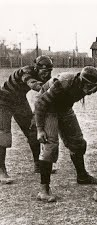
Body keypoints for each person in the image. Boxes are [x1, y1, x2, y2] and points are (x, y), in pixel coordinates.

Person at [34, 66, 97, 202]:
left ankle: (82, 176)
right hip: (48, 109)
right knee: (50, 147)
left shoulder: (92, 83)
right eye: (90, 87)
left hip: (64, 108)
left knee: (78, 142)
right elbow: (40, 103)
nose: (92, 90)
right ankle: (44, 190)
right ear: (82, 81)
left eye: (95, 87)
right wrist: (39, 129)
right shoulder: (62, 83)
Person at [0, 55, 53, 184]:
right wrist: (50, 86)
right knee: (3, 135)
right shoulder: (26, 71)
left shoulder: (46, 77)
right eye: (44, 71)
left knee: (33, 130)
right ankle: (1, 170)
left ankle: (38, 164)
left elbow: (46, 92)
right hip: (3, 101)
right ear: (36, 68)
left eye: (49, 71)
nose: (46, 74)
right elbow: (32, 83)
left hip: (19, 101)